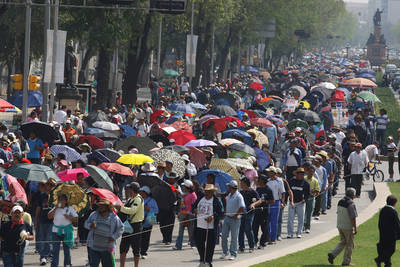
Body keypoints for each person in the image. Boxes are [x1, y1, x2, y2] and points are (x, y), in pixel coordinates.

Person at [84, 199, 124, 267]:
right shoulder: (94, 215)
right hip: (94, 247)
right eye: (99, 205)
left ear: (107, 207)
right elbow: (86, 223)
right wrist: (90, 226)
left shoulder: (114, 217)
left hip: (107, 248)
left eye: (102, 206)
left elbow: (121, 228)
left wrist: (114, 237)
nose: (100, 207)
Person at [193, 184, 223, 267]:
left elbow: (220, 213)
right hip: (199, 225)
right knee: (199, 244)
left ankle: (208, 262)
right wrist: (194, 210)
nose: (207, 193)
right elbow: (194, 206)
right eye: (206, 191)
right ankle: (202, 260)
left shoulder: (216, 201)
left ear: (212, 192)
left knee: (210, 245)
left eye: (209, 192)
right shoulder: (200, 199)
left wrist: (213, 217)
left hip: (211, 227)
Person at [115, 182, 144, 267]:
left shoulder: (138, 199)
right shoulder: (131, 199)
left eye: (129, 189)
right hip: (127, 225)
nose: (127, 190)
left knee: (136, 248)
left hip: (136, 226)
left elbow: (132, 210)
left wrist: (121, 208)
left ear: (132, 189)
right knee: (123, 247)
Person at [328, 188, 358, 266]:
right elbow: (353, 217)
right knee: (350, 244)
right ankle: (346, 262)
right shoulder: (351, 203)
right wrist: (355, 228)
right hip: (347, 227)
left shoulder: (340, 201)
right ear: (353, 195)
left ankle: (332, 254)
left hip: (339, 225)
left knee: (343, 241)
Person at [48, 194, 78, 267]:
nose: (60, 201)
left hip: (67, 232)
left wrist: (68, 217)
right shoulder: (55, 208)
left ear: (66, 201)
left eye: (62, 199)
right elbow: (49, 217)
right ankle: (54, 265)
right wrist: (55, 208)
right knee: (55, 250)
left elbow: (76, 219)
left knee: (66, 250)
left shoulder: (70, 208)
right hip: (56, 231)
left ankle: (67, 264)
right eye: (59, 199)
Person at [220, 180, 245, 261]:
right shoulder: (230, 195)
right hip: (227, 217)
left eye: (229, 187)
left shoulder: (239, 196)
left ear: (232, 187)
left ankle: (233, 254)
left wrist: (236, 215)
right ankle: (225, 252)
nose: (228, 188)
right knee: (224, 236)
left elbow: (242, 207)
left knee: (234, 237)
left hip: (235, 219)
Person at [249, 174, 274, 249]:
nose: (258, 181)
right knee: (255, 228)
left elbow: (273, 200)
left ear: (263, 181)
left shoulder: (268, 190)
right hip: (257, 211)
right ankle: (255, 242)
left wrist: (265, 202)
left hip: (265, 212)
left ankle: (262, 243)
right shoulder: (258, 189)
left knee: (264, 228)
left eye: (259, 180)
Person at [375, 195, 400, 267]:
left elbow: (380, 222)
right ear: (394, 203)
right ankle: (379, 259)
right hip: (391, 235)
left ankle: (388, 264)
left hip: (383, 233)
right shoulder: (393, 211)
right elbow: (397, 224)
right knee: (391, 250)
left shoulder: (383, 210)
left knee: (385, 249)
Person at [174, 179, 197, 250]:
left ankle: (193, 244)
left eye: (184, 186)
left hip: (190, 215)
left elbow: (194, 206)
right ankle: (178, 245)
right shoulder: (185, 194)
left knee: (191, 230)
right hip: (182, 214)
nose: (183, 187)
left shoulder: (193, 195)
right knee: (181, 231)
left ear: (187, 187)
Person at [287, 168, 310, 239]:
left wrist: (305, 200)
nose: (301, 175)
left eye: (302, 174)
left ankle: (299, 233)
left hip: (301, 203)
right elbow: (288, 191)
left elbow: (308, 194)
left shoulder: (306, 183)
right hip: (292, 203)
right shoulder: (291, 181)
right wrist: (286, 201)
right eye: (299, 173)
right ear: (296, 174)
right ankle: (290, 233)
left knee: (301, 219)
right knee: (290, 219)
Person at [238, 177, 259, 253]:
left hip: (250, 213)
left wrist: (253, 204)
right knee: (240, 230)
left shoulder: (252, 191)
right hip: (242, 213)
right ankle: (241, 247)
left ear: (246, 183)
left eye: (242, 183)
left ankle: (251, 246)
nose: (240, 184)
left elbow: (259, 200)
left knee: (248, 229)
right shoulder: (240, 192)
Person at [139, 186, 158, 259]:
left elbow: (156, 211)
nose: (140, 193)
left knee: (146, 237)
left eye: (142, 192)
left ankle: (143, 252)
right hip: (139, 220)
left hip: (148, 222)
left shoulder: (152, 200)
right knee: (139, 237)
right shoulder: (139, 199)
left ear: (146, 193)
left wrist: (148, 209)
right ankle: (139, 250)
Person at [304, 164, 320, 233]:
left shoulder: (315, 180)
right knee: (303, 213)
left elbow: (318, 190)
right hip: (304, 197)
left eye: (312, 172)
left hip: (311, 198)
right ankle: (302, 226)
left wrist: (313, 191)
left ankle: (308, 227)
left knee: (309, 213)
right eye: (309, 171)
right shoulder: (304, 179)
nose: (311, 173)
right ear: (307, 171)